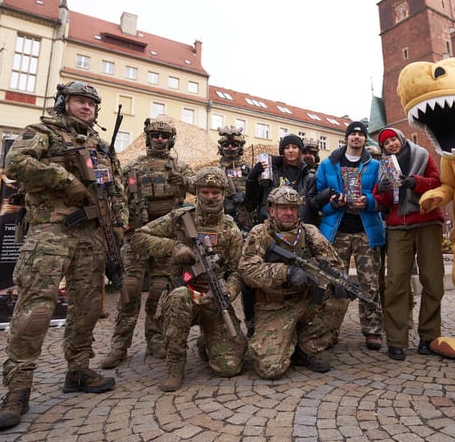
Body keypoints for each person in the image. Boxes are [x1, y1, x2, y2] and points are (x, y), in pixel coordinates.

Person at [0, 81, 128, 431]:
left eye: (91, 104)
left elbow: (115, 188)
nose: (86, 108)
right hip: (50, 233)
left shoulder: (100, 145)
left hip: (91, 236)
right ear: (63, 103)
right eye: (80, 102)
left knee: (87, 308)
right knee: (36, 310)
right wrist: (66, 181)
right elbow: (16, 163)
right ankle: (18, 388)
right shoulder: (43, 132)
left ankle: (78, 369)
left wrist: (119, 225)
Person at [131, 167, 247, 391]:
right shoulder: (181, 218)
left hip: (214, 298)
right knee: (177, 297)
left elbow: (236, 271)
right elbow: (138, 237)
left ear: (223, 193)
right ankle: (175, 362)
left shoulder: (231, 230)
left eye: (215, 192)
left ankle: (208, 340)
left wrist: (229, 291)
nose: (210, 197)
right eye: (205, 192)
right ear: (196, 192)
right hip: (185, 291)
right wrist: (173, 247)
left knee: (229, 367)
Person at [100, 118, 195, 369]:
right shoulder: (133, 166)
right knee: (130, 289)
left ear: (171, 140)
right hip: (138, 234)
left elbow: (202, 186)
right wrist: (119, 226)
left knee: (159, 290)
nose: (160, 140)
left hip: (166, 236)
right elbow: (117, 197)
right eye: (156, 135)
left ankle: (155, 338)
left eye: (164, 136)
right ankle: (120, 344)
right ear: (148, 137)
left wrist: (182, 181)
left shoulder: (179, 166)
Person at [239, 186, 349, 379]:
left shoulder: (309, 232)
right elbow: (248, 270)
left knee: (338, 298)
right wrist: (285, 272)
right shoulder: (259, 233)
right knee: (270, 369)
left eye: (293, 208)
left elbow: (333, 263)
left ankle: (309, 346)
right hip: (273, 306)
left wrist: (339, 278)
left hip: (305, 302)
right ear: (271, 210)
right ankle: (287, 338)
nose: (289, 213)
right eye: (283, 208)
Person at [373, 127, 446, 360]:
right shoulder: (385, 165)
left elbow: (438, 182)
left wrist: (414, 182)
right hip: (397, 225)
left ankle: (429, 336)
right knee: (395, 282)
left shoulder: (422, 156)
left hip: (427, 221)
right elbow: (381, 199)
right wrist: (382, 190)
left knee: (433, 279)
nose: (391, 145)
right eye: (386, 143)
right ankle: (396, 340)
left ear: (401, 139)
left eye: (393, 140)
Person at [315, 121, 386, 350]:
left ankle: (372, 330)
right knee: (335, 282)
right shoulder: (328, 164)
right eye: (352, 134)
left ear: (365, 139)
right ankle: (330, 329)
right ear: (346, 138)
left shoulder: (375, 166)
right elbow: (318, 198)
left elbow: (383, 197)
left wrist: (370, 201)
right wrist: (333, 203)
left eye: (360, 134)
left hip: (365, 230)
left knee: (370, 282)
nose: (356, 137)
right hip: (337, 230)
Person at [215, 125, 255, 337]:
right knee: (222, 276)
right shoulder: (213, 171)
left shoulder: (250, 170)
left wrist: (246, 197)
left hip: (245, 228)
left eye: (235, 144)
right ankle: (221, 325)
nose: (230, 147)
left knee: (248, 278)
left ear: (241, 147)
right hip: (222, 230)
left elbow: (258, 197)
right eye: (227, 144)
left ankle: (251, 321)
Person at [246, 134, 326, 226]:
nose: (291, 150)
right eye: (287, 148)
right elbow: (252, 199)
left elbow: (311, 207)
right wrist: (253, 177)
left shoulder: (308, 177)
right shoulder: (270, 172)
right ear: (282, 151)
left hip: (297, 228)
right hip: (270, 227)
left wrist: (324, 196)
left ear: (300, 150)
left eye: (295, 147)